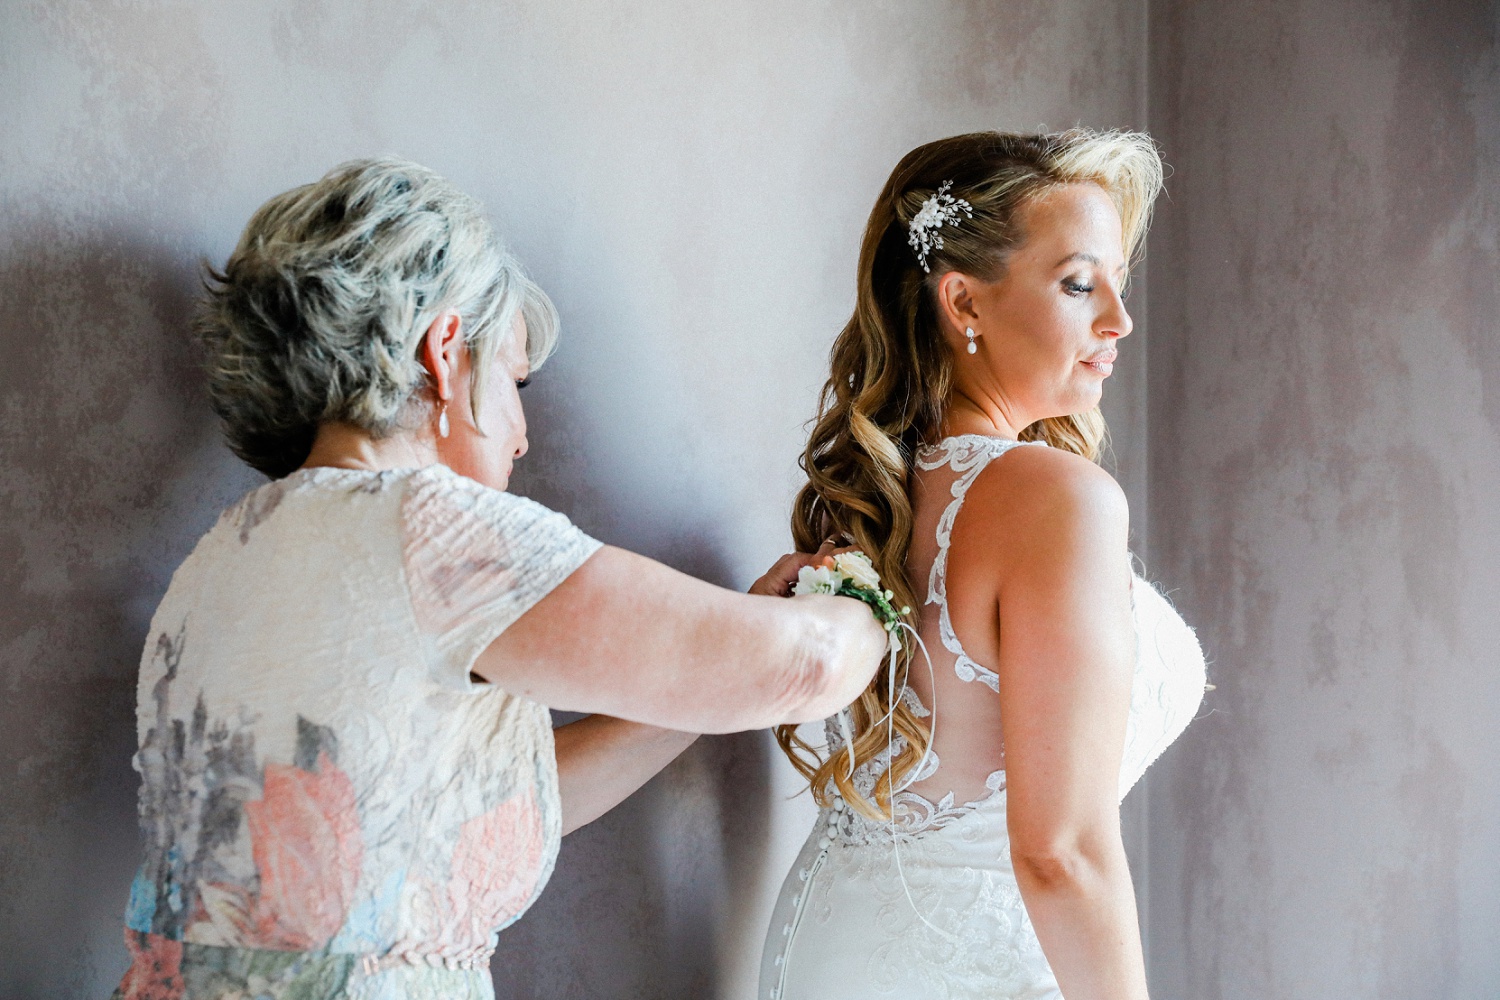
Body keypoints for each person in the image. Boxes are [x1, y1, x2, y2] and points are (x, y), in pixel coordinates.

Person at [113, 158, 886, 1000]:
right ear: (445, 356)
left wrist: (700, 685)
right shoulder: (430, 528)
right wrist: (860, 595)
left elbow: (472, 809)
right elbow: (805, 666)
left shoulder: (220, 559)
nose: (521, 437)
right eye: (514, 382)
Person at [756, 130, 1207, 1000]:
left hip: (832, 944)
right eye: (1080, 284)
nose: (1119, 318)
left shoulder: (885, 490)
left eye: (1118, 281)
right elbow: (1061, 851)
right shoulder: (1059, 499)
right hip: (964, 965)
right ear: (962, 301)